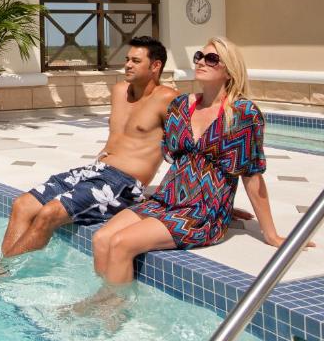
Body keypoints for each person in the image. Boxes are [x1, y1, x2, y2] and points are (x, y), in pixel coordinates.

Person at [0, 36, 178, 276]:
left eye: (136, 60)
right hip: (96, 171)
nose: (128, 65)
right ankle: (5, 265)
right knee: (22, 204)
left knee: (49, 213)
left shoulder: (168, 98)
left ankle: (1, 270)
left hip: (123, 184)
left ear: (155, 66)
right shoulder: (119, 90)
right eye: (127, 59)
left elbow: (183, 147)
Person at [88, 36, 291, 295]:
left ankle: (110, 311)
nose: (201, 62)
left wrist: (269, 233)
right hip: (167, 199)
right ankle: (104, 297)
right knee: (101, 238)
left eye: (211, 58)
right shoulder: (182, 106)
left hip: (201, 211)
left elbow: (251, 176)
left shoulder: (243, 113)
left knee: (121, 243)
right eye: (199, 56)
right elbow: (169, 155)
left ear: (229, 70)